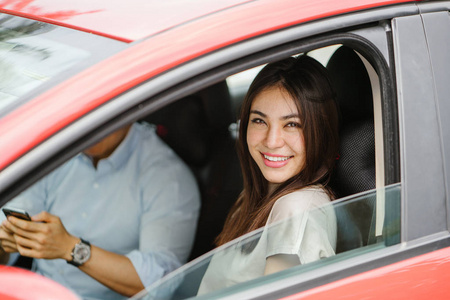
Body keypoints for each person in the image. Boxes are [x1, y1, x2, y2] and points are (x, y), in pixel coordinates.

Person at [0, 122, 200, 300]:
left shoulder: (169, 178)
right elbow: (19, 213)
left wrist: (70, 248)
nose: (87, 129)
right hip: (34, 291)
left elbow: (159, 282)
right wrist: (6, 241)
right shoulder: (56, 151)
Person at [198, 55, 339, 294]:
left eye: (293, 124)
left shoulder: (297, 207)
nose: (272, 142)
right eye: (259, 121)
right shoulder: (258, 196)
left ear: (320, 130)